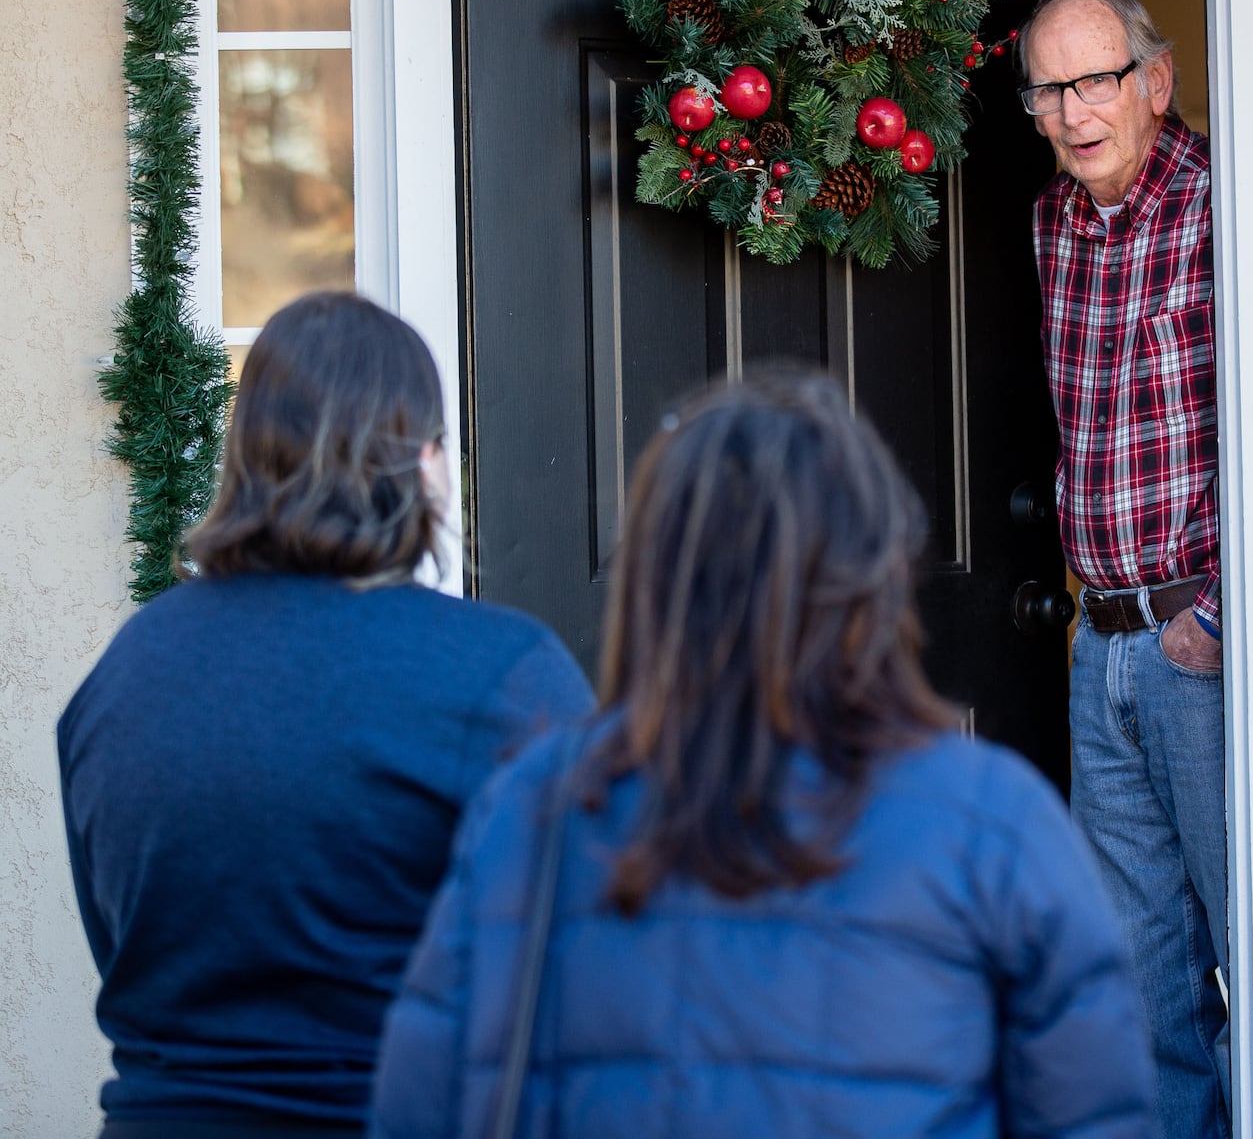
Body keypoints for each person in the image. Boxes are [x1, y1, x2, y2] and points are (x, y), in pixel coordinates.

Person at [368, 369, 1157, 1139]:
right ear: (874, 578)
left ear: (655, 576)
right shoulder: (995, 822)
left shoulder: (531, 809)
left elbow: (419, 1105)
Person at [58, 292, 594, 1138]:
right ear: (422, 463)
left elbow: (120, 939)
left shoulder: (128, 671)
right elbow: (599, 965)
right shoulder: (501, 675)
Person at [1016, 0, 1227, 1139]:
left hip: (1196, 641)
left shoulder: (1222, 205)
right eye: (1048, 88)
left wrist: (1224, 614)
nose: (1071, 109)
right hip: (1097, 643)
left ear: (1155, 80)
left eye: (1094, 78)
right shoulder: (1053, 220)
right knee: (1142, 979)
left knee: (1251, 946)